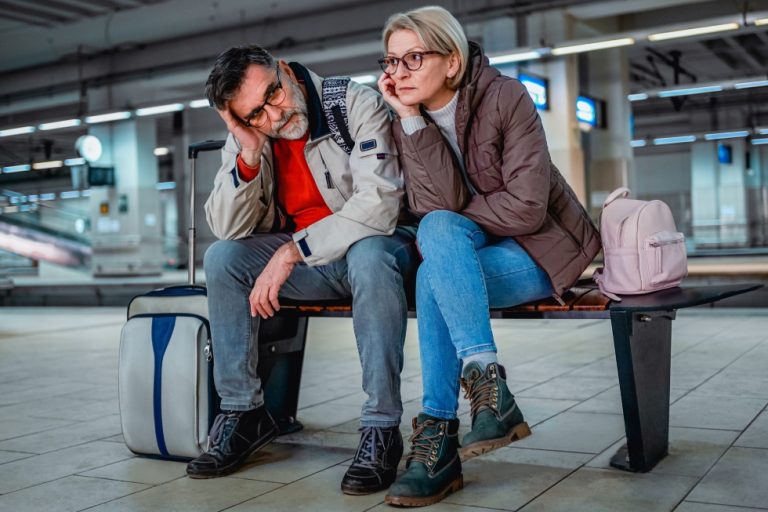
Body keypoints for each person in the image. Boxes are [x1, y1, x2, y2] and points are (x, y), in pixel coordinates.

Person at [377, 6, 601, 507]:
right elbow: (435, 209)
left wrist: (454, 226)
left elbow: (526, 207)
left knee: (436, 264)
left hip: (541, 250)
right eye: (391, 62)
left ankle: (438, 440)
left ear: (452, 61)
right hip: (468, 251)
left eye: (414, 57)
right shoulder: (402, 122)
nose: (398, 73)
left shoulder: (507, 96)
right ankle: (487, 391)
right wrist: (411, 121)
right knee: (437, 248)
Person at [188, 44, 419, 496]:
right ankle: (243, 412)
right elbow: (225, 227)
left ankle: (381, 428)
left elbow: (380, 206)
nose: (274, 115)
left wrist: (292, 251)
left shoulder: (352, 103)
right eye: (255, 114)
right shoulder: (253, 134)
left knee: (370, 254)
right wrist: (249, 154)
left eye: (274, 93)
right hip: (315, 262)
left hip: (380, 252)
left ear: (286, 70)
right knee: (222, 259)